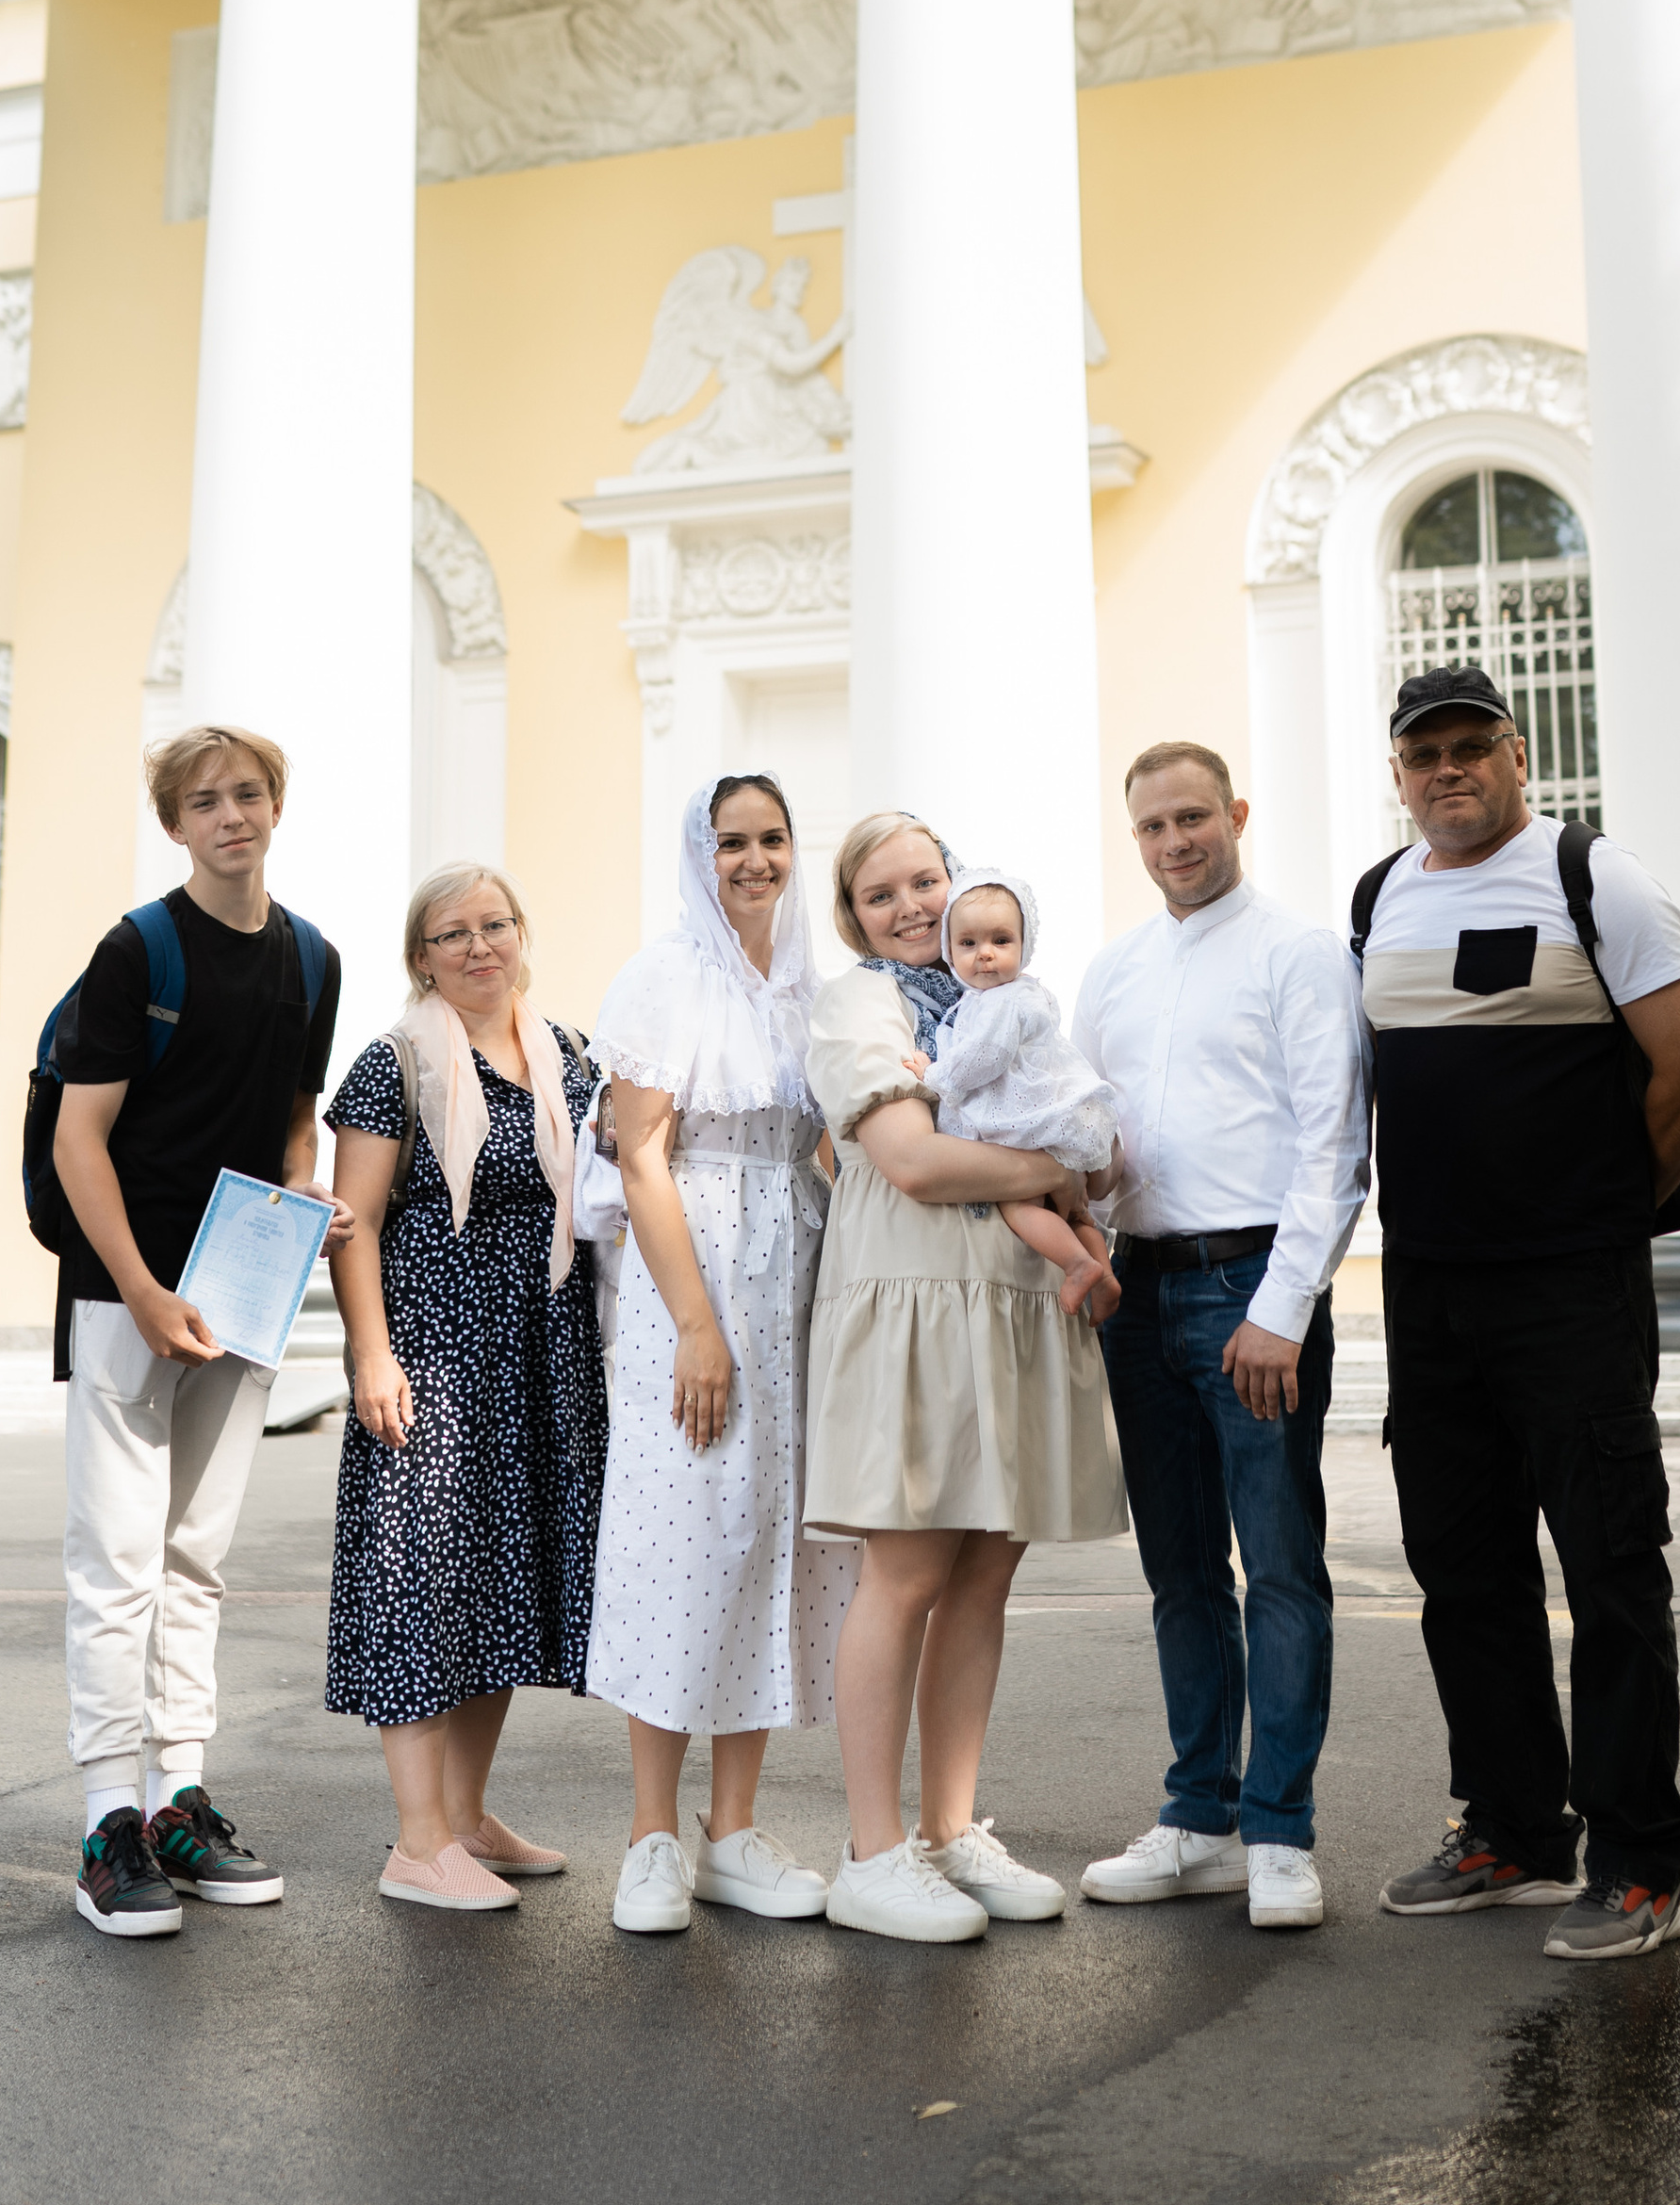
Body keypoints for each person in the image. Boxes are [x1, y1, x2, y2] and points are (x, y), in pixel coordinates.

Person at [1359, 665, 1680, 1961]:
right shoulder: (1380, 898)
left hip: (1571, 1292)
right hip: (1428, 1293)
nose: (1447, 770)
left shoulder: (1596, 880)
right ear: (1397, 773)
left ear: (1518, 756)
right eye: (1424, 756)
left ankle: (1638, 1859)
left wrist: (1597, 1219)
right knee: (1464, 1576)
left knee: (1612, 1572)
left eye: (1471, 747)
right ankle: (1515, 1830)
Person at [805, 814, 1129, 1945]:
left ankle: (946, 1832)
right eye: (880, 892)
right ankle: (870, 1850)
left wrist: (1076, 1167)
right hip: (914, 1306)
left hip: (1007, 1309)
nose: (907, 905)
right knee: (902, 1572)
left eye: (925, 882)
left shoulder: (998, 994)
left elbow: (1093, 1144)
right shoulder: (859, 1005)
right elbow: (914, 1160)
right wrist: (1059, 1163)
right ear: (851, 914)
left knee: (985, 1575)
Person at [50, 724, 343, 1941]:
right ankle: (107, 1819)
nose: (233, 815)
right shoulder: (140, 950)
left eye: (251, 794)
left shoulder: (311, 960)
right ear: (177, 823)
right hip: (127, 1295)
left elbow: (292, 1123)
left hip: (239, 1291)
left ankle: (179, 1797)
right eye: (208, 801)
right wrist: (143, 1288)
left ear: (277, 806)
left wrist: (302, 1199)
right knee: (119, 1558)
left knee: (194, 1556)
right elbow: (79, 1140)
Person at [1071, 741, 1367, 1934]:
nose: (1174, 842)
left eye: (1193, 818)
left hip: (1255, 1291)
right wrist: (1084, 1249)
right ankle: (1198, 1818)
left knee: (1280, 1568)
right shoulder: (1114, 972)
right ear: (1132, 836)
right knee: (1180, 1574)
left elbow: (1333, 1147)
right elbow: (1084, 1134)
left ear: (1236, 814)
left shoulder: (1297, 954)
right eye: (1151, 827)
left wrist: (1280, 1310)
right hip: (1139, 1299)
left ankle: (1279, 1831)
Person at [583, 775, 858, 1936]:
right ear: (698, 855)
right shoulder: (664, 976)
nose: (753, 860)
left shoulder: (808, 989)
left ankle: (732, 1829)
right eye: (731, 842)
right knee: (683, 1531)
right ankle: (651, 1835)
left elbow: (829, 1149)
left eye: (772, 839)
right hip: (689, 1270)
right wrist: (695, 1321)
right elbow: (640, 1155)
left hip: (791, 1266)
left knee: (770, 1538)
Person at [322, 865, 608, 1914]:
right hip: (435, 1350)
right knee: (420, 1582)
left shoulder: (569, 1055)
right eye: (454, 934)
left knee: (499, 1584)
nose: (479, 946)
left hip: (538, 1350)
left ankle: (465, 1816)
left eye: (495, 925)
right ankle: (414, 1843)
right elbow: (348, 1228)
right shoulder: (391, 1063)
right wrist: (370, 1355)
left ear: (523, 934)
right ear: (422, 957)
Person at [930, 868, 1121, 1320]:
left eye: (1001, 941)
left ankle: (1077, 1267)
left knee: (1018, 1202)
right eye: (968, 944)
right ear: (949, 949)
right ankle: (1103, 1273)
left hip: (1030, 1120)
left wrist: (935, 1075)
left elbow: (984, 1058)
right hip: (1046, 1114)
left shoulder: (1005, 1001)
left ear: (1024, 945)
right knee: (1075, 1213)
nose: (985, 956)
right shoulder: (1004, 997)